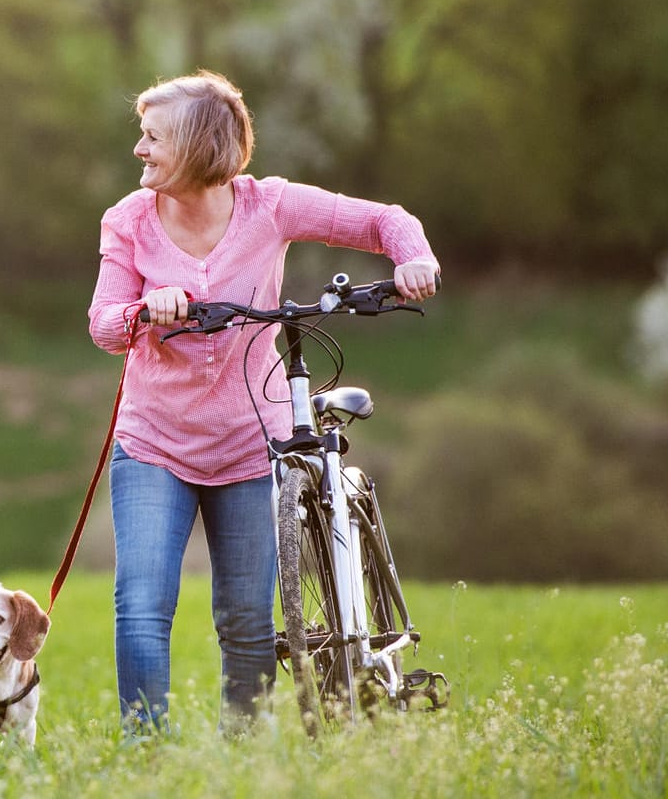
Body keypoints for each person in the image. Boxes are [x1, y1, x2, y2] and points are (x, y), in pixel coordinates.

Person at [86, 70, 440, 734]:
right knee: (140, 606)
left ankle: (243, 752)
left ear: (198, 147)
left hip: (253, 440)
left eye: (153, 137)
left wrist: (412, 257)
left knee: (247, 619)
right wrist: (144, 310)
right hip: (154, 441)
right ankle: (144, 755)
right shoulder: (129, 222)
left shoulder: (269, 206)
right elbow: (104, 324)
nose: (138, 148)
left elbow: (382, 220)